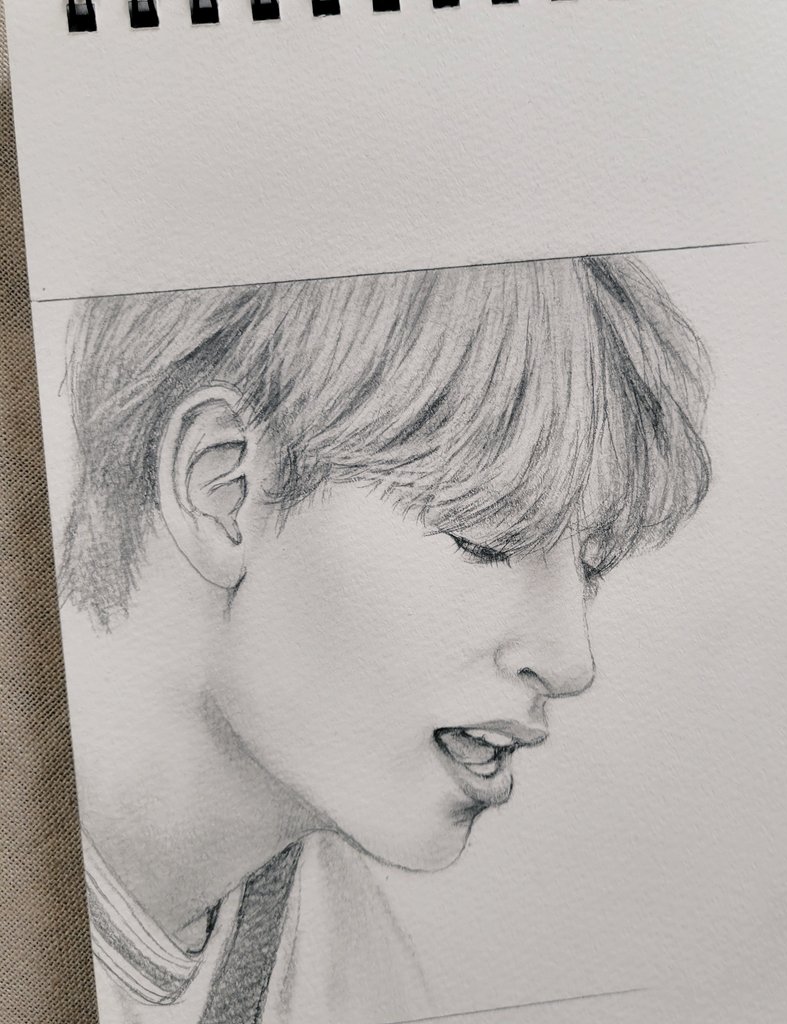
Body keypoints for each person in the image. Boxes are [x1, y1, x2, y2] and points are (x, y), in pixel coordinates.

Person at [56, 255, 712, 1023]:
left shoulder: (345, 948)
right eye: (488, 537)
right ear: (223, 488)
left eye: (591, 566)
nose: (571, 663)